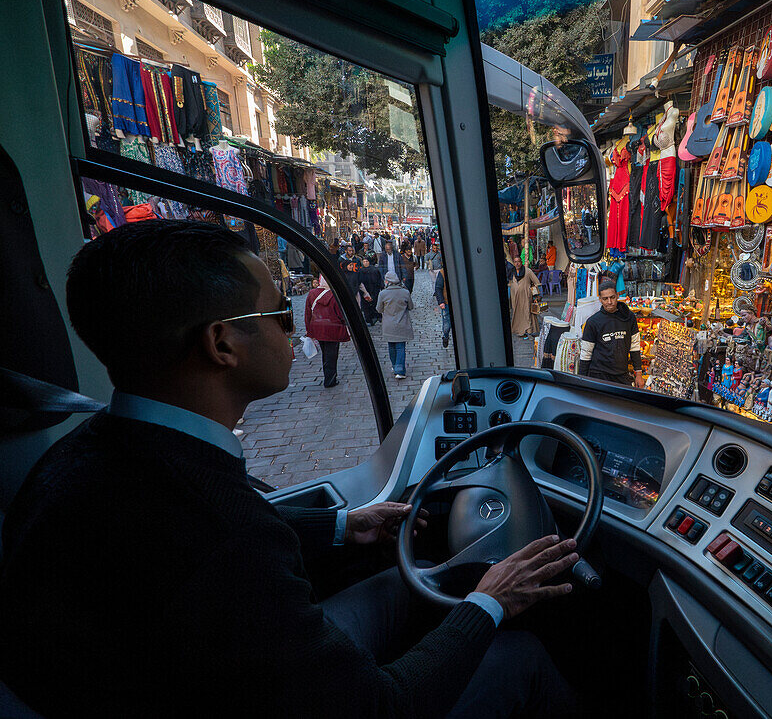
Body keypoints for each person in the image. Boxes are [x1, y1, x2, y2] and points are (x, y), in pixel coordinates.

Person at [0, 221, 579, 717]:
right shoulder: (221, 533)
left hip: (186, 681)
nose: (294, 326)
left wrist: (340, 525)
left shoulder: (85, 456)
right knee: (518, 657)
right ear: (222, 344)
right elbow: (380, 708)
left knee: (419, 574)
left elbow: (197, 546)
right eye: (279, 311)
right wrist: (491, 603)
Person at [579, 278, 644, 387]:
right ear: (600, 299)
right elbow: (586, 353)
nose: (609, 302)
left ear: (617, 295)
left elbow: (635, 347)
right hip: (599, 375)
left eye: (612, 297)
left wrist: (638, 374)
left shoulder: (629, 317)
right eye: (605, 299)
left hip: (621, 375)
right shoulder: (593, 322)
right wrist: (581, 380)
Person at [305, 275, 350, 388]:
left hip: (318, 328)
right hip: (333, 328)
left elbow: (307, 314)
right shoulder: (335, 294)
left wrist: (309, 331)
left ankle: (328, 376)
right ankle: (330, 379)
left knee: (325, 353)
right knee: (332, 354)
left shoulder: (312, 293)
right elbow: (340, 313)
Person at [377, 270, 414, 379]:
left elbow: (379, 309)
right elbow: (411, 306)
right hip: (402, 323)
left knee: (391, 346)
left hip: (388, 325)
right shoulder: (405, 292)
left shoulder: (383, 293)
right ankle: (400, 370)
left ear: (387, 281)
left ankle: (394, 366)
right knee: (400, 347)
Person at [507, 255, 540, 339]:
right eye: (515, 262)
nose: (517, 263)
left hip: (526, 296)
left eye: (518, 261)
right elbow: (510, 283)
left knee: (527, 313)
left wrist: (535, 295)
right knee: (517, 313)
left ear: (521, 262)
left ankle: (529, 331)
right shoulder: (512, 272)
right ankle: (520, 331)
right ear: (513, 263)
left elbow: (536, 282)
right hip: (515, 297)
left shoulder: (527, 271)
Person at [359, 252, 383, 324]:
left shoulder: (374, 270)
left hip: (374, 290)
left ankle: (374, 317)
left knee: (374, 304)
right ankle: (368, 319)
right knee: (366, 307)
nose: (365, 263)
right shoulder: (360, 271)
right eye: (364, 261)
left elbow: (379, 280)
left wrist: (381, 287)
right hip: (364, 291)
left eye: (366, 261)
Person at [435, 266, 451, 348]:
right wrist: (441, 302)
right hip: (446, 302)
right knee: (446, 324)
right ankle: (445, 336)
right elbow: (438, 288)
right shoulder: (442, 272)